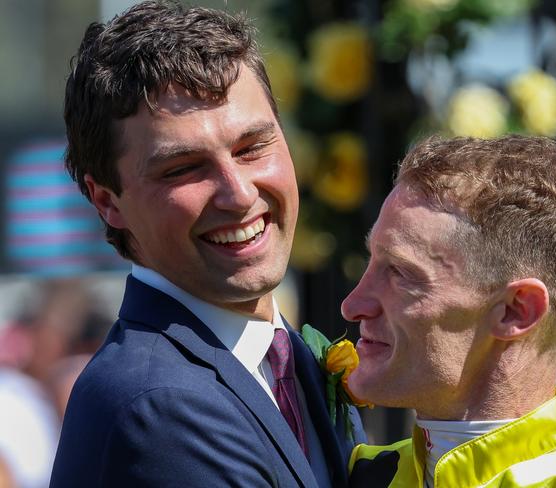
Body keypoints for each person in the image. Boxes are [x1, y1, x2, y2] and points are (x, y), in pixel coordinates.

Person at [49, 2, 364, 487]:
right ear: (107, 202)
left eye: (252, 147)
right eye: (183, 169)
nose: (238, 194)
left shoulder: (286, 358)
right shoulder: (157, 405)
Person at [342, 135, 556, 487]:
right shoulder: (359, 469)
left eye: (400, 273)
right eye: (372, 261)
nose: (352, 305)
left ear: (516, 311)